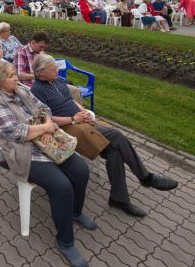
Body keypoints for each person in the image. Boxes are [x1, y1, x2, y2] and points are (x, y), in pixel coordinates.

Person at [30, 54, 178, 218]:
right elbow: (45, 119)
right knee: (116, 135)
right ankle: (145, 177)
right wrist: (73, 119)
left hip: (81, 121)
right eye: (53, 68)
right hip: (65, 128)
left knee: (114, 151)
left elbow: (69, 100)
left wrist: (82, 110)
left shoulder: (57, 81)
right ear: (41, 73)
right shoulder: (36, 90)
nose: (57, 70)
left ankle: (119, 199)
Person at [0, 61, 94, 267]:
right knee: (61, 186)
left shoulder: (22, 90)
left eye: (14, 73)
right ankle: (65, 241)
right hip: (18, 152)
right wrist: (44, 129)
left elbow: (44, 107)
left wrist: (46, 125)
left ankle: (75, 213)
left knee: (81, 170)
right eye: (10, 75)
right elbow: (15, 132)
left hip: (44, 142)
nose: (16, 77)